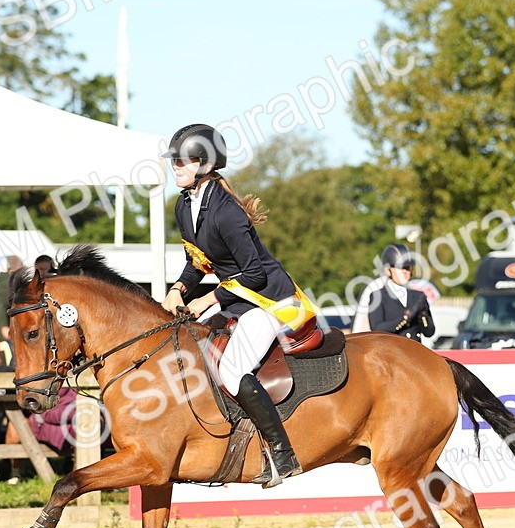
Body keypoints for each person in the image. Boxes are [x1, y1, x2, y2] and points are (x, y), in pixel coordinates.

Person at [160, 123, 314, 487]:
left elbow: (254, 274)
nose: (175, 166)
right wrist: (179, 288)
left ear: (204, 164)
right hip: (240, 300)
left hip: (272, 302)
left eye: (181, 161)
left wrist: (209, 299)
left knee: (231, 370)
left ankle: (282, 454)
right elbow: (198, 261)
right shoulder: (185, 206)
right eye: (175, 160)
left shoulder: (227, 212)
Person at [351, 244, 435, 341]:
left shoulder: (418, 296)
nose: (405, 271)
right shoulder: (378, 296)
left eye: (408, 268)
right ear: (388, 270)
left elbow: (429, 332)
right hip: (390, 352)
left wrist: (422, 315)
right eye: (401, 268)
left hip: (414, 352)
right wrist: (405, 318)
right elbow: (377, 328)